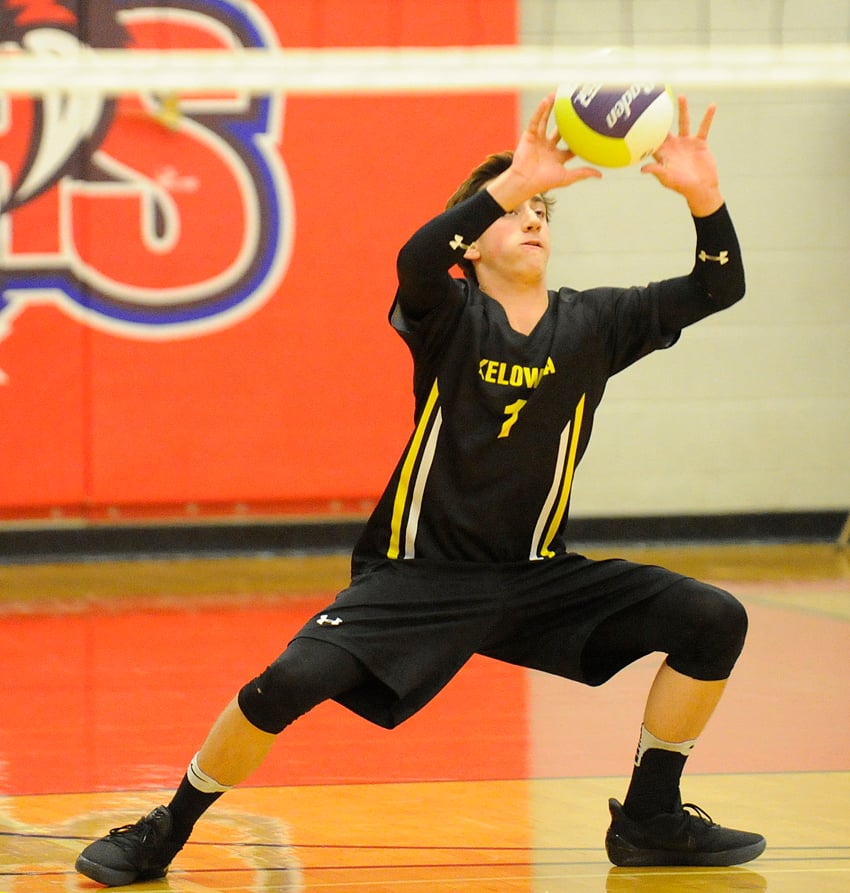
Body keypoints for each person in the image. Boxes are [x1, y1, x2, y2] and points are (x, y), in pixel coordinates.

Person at [76, 93, 765, 886]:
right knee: (286, 684)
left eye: (545, 208)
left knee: (713, 618)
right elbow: (416, 256)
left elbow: (720, 288)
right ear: (473, 246)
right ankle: (166, 827)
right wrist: (509, 182)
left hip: (535, 576)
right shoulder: (449, 314)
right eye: (517, 211)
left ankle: (650, 816)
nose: (535, 218)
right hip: (417, 576)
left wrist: (705, 200)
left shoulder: (598, 323)